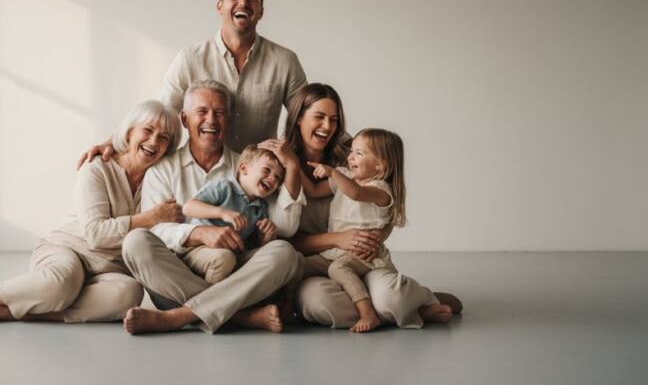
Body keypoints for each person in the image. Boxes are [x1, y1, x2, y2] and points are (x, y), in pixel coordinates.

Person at [0, 101, 183, 323]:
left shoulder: (159, 180)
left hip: (111, 267)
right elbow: (96, 235)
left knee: (129, 294)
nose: (153, 141)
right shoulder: (97, 168)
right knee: (62, 284)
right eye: (147, 130)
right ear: (128, 133)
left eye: (163, 137)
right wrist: (150, 219)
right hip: (70, 248)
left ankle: (28, 314)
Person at [259, 83, 463, 330]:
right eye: (319, 117)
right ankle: (397, 308)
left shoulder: (350, 158)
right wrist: (337, 238)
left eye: (334, 119)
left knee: (390, 296)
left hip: (362, 258)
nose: (327, 127)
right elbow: (283, 239)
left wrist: (378, 234)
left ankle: (407, 301)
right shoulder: (276, 165)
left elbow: (377, 200)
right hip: (324, 259)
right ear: (299, 117)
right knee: (319, 303)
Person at [120, 80, 305, 334]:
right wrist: (198, 234)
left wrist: (266, 233)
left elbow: (284, 226)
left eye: (219, 113)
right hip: (178, 272)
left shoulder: (251, 166)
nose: (211, 120)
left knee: (284, 252)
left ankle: (180, 316)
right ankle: (241, 316)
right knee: (135, 242)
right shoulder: (163, 168)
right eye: (202, 112)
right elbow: (157, 230)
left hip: (232, 270)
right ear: (185, 119)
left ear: (228, 120)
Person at [78, 0, 307, 165]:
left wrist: (340, 149)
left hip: (261, 179)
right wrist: (112, 142)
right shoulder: (190, 59)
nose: (243, 3)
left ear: (261, 12)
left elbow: (309, 116)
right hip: (204, 175)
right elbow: (162, 112)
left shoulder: (285, 61)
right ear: (219, 6)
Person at [304, 128, 453, 332]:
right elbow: (312, 191)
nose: (350, 157)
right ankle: (408, 310)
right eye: (352, 151)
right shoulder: (345, 177)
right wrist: (291, 164)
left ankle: (370, 313)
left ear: (380, 165)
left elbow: (356, 193)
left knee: (338, 269)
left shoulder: (380, 190)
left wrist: (331, 172)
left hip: (363, 256)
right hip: (336, 251)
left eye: (359, 153)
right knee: (301, 265)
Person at [183, 145, 284, 253]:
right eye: (266, 170)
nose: (273, 179)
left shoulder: (261, 208)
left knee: (280, 249)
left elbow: (254, 246)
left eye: (278, 177)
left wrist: (266, 236)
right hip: (201, 248)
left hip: (233, 254)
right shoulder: (224, 187)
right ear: (244, 169)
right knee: (224, 258)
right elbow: (188, 207)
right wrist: (222, 213)